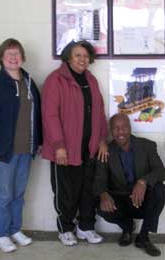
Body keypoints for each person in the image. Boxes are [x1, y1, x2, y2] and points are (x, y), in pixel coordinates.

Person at [0, 38, 42, 253]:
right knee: (2, 195)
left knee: (17, 193)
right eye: (9, 54)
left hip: (26, 149)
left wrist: (38, 142)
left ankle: (15, 229)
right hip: (1, 151)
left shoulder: (29, 82)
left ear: (22, 57)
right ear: (1, 58)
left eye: (16, 54)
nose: (13, 58)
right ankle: (1, 235)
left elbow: (37, 115)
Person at [41, 40, 108, 246]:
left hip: (89, 148)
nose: (82, 59)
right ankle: (66, 228)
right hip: (65, 149)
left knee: (88, 190)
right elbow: (50, 115)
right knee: (66, 193)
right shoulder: (55, 80)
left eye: (86, 56)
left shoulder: (91, 79)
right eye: (78, 55)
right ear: (68, 57)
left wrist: (103, 140)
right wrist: (59, 145)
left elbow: (99, 113)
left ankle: (85, 227)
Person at [94, 113, 165, 257]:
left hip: (142, 201)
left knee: (160, 190)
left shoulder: (147, 146)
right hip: (120, 201)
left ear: (130, 128)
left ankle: (144, 237)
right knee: (98, 203)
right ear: (110, 131)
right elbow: (99, 180)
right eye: (116, 128)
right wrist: (103, 195)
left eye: (124, 127)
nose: (120, 132)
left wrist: (143, 182)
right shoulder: (106, 150)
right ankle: (127, 227)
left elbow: (161, 172)